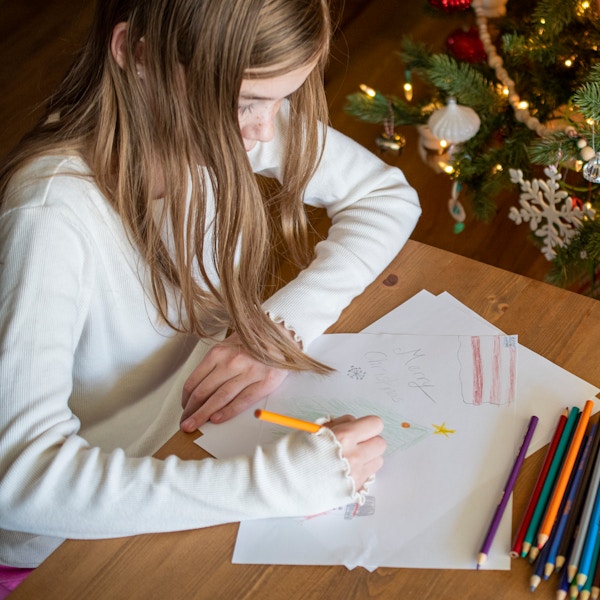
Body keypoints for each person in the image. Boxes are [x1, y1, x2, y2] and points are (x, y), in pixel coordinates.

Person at [0, 0, 420, 593]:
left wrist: (280, 328)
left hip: (193, 441)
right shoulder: (51, 216)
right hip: (68, 541)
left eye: (285, 97)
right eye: (250, 101)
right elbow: (20, 481)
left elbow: (386, 197)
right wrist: (276, 484)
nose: (267, 129)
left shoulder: (224, 122)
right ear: (137, 56)